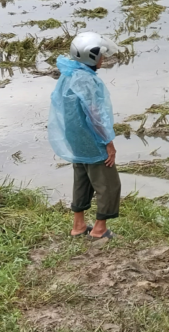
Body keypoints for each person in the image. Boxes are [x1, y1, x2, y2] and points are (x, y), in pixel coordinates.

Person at [49, 31, 121, 240]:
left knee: (82, 178)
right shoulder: (88, 81)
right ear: (90, 55)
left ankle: (78, 225)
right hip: (91, 138)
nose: (103, 58)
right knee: (108, 183)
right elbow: (95, 115)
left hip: (74, 137)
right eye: (100, 54)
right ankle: (99, 230)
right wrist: (108, 142)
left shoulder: (68, 74)